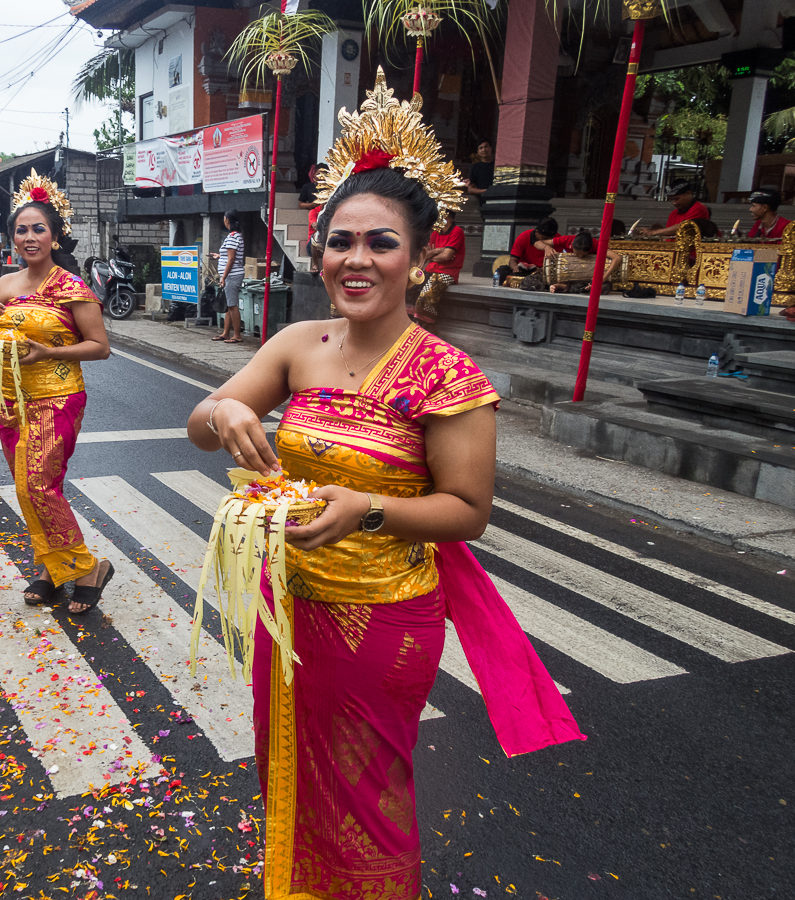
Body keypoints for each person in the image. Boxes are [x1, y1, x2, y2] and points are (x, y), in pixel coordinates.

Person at [185, 69, 581, 900]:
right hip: (285, 603)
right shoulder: (297, 340)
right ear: (318, 248)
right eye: (339, 241)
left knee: (368, 799)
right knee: (284, 766)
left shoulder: (448, 373)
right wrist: (221, 416)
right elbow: (208, 414)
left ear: (419, 257)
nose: (355, 260)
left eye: (380, 243)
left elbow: (468, 512)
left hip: (382, 618)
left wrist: (366, 510)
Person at [0, 172, 114, 615]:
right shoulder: (5, 284)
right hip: (12, 402)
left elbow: (100, 348)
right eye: (21, 230)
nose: (29, 237)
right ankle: (51, 568)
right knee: (32, 488)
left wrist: (47, 351)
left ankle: (87, 568)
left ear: (55, 235)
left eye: (38, 229)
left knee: (36, 483)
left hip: (58, 397)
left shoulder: (72, 288)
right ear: (12, 238)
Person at [413, 207, 465, 326]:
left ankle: (425, 325)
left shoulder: (457, 231)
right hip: (429, 269)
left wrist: (434, 255)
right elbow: (424, 255)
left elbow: (446, 256)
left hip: (447, 272)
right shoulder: (436, 232)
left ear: (446, 216)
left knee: (425, 296)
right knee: (411, 285)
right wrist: (440, 250)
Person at [210, 210, 245, 343]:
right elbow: (230, 256)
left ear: (227, 220)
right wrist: (219, 256)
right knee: (229, 304)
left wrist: (223, 277)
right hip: (233, 273)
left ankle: (237, 335)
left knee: (232, 305)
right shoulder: (237, 236)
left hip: (232, 275)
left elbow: (231, 259)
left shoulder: (232, 237)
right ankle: (226, 333)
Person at [643, 181, 710, 238]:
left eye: (677, 199)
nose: (674, 203)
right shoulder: (673, 214)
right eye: (671, 199)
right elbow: (667, 237)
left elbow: (685, 227)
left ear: (688, 194)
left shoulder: (699, 208)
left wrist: (654, 232)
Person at [300, 162, 329, 243]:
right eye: (319, 173)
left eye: (324, 174)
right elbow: (300, 204)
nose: (321, 176)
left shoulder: (330, 188)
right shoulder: (308, 187)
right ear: (314, 174)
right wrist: (313, 204)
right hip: (313, 211)